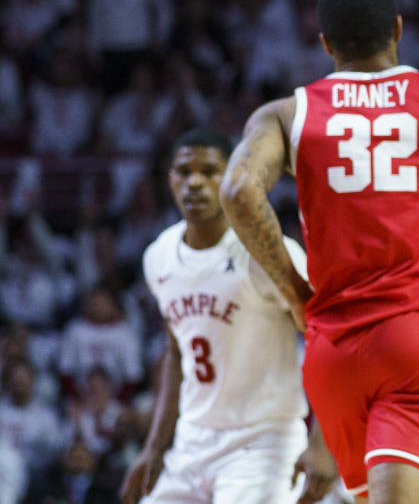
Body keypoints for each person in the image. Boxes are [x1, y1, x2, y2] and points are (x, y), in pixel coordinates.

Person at [220, 0, 419, 504]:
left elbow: (236, 190)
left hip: (332, 350)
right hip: (418, 338)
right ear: (398, 30)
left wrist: (295, 290)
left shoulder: (286, 113)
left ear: (325, 43)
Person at [119, 128, 310, 504]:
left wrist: (326, 441)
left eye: (209, 171)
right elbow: (177, 351)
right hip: (192, 442)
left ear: (233, 175)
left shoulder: (268, 252)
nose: (195, 183)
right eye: (184, 171)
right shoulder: (158, 255)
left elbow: (326, 339)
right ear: (168, 177)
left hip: (262, 442)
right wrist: (155, 447)